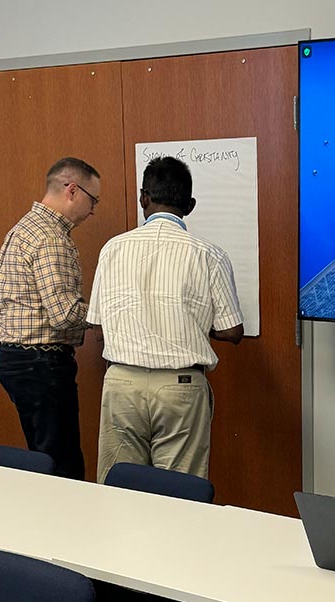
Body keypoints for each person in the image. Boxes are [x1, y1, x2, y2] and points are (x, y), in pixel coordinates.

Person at [89, 156, 244, 483]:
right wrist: (193, 322)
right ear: (189, 205)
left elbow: (99, 323)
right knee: (178, 495)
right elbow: (232, 331)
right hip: (181, 388)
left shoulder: (113, 249)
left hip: (122, 383)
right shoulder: (209, 254)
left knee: (120, 487)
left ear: (144, 198)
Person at [0, 157, 99, 480]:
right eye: (92, 200)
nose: (93, 210)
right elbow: (64, 314)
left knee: (45, 461)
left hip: (18, 360)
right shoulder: (51, 237)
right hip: (41, 363)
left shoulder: (23, 228)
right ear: (72, 190)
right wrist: (106, 313)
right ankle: (64, 529)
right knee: (62, 467)